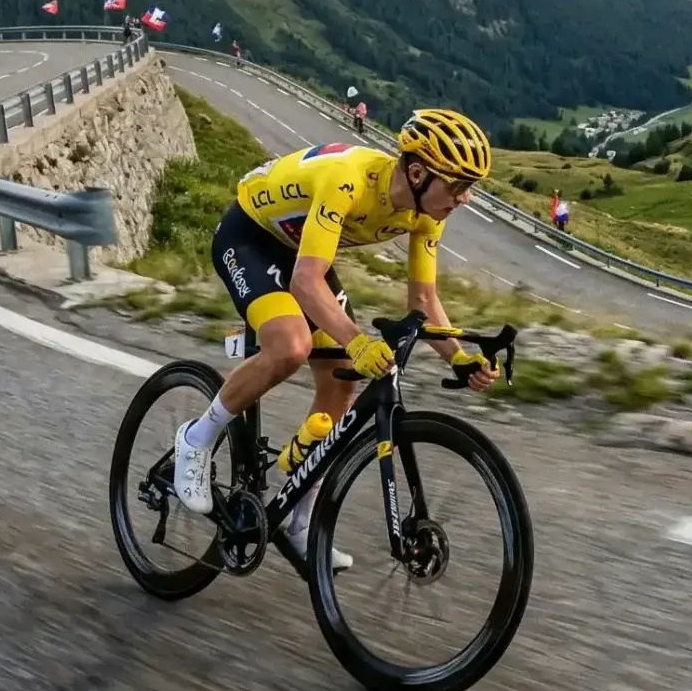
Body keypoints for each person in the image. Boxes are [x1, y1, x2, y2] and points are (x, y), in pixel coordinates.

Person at [174, 109, 500, 566]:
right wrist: (358, 341)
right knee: (290, 347)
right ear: (419, 172)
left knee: (342, 383)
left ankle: (300, 522)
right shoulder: (347, 180)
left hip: (303, 251)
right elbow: (307, 283)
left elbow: (423, 298)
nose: (465, 198)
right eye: (459, 185)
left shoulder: (428, 211)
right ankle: (195, 437)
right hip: (250, 236)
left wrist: (459, 358)